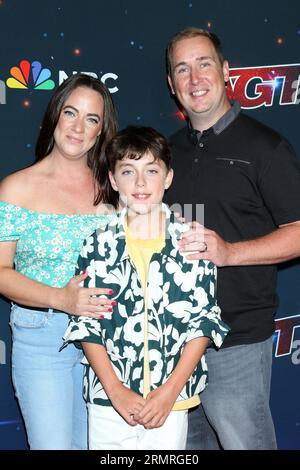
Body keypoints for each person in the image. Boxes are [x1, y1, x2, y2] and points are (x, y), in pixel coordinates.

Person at [165, 27, 300, 450]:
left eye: (203, 64)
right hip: (177, 342)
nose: (194, 79)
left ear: (225, 71)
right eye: (182, 70)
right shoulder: (164, 155)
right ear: (171, 85)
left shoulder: (267, 147)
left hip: (237, 339)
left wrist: (230, 252)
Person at [62, 125, 229, 450]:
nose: (140, 183)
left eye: (151, 170)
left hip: (170, 400)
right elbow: (86, 323)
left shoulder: (193, 241)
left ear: (167, 178)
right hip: (109, 400)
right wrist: (115, 390)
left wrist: (169, 392)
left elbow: (205, 321)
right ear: (113, 180)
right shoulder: (97, 244)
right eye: (128, 171)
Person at [0, 73, 118, 450]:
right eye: (71, 112)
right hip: (41, 337)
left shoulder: (113, 189)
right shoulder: (16, 188)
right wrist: (61, 298)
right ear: (55, 116)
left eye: (92, 119)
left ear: (101, 131)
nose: (78, 127)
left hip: (105, 340)